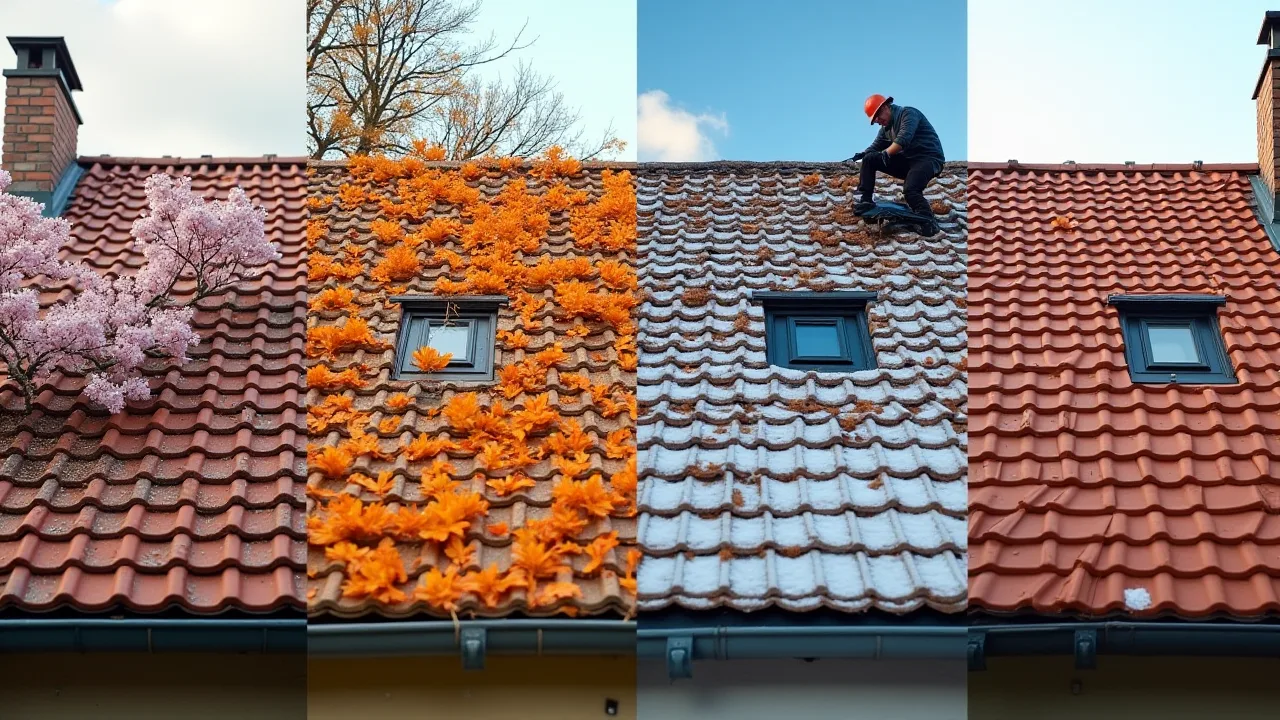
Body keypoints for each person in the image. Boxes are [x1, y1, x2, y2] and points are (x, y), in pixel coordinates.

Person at [847, 94, 945, 236]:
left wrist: (886, 154)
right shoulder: (886, 130)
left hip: (928, 159)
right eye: (875, 120)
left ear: (886, 106)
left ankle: (927, 217)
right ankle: (866, 200)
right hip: (909, 161)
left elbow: (903, 139)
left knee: (911, 190)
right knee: (870, 159)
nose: (879, 121)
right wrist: (861, 155)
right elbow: (874, 147)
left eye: (878, 116)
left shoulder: (908, 114)